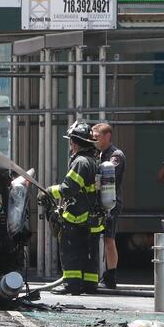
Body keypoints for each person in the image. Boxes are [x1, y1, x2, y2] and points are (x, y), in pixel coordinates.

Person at [39, 121, 101, 295]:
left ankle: (72, 284)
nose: (71, 145)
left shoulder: (81, 162)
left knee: (71, 249)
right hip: (93, 217)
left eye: (71, 142)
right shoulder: (94, 160)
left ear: (75, 142)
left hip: (77, 216)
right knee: (89, 252)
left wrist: (48, 191)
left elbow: (68, 189)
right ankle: (89, 284)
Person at [92, 123, 126, 289]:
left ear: (107, 136)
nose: (94, 139)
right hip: (98, 202)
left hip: (110, 202)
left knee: (109, 239)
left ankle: (111, 275)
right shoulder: (98, 153)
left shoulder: (115, 155)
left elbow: (108, 173)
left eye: (96, 136)